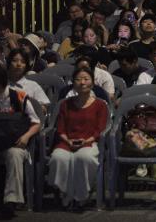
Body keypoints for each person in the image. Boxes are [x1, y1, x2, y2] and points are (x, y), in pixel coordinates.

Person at [0, 66, 41, 218]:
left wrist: (26, 137)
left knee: (14, 155)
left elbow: (36, 123)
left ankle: (10, 202)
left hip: (15, 144)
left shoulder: (20, 97)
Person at [48, 67, 108, 209]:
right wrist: (68, 141)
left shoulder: (100, 105)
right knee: (59, 157)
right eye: (78, 79)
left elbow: (100, 129)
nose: (82, 82)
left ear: (92, 82)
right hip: (66, 142)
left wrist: (86, 141)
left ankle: (81, 195)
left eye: (86, 79)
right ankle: (66, 193)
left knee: (83, 158)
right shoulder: (65, 104)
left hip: (89, 142)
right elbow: (60, 128)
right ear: (73, 83)